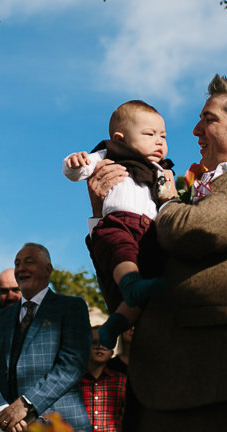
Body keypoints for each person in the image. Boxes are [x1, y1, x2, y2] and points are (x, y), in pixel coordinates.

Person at [88, 75, 227, 431]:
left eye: (208, 119)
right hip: (150, 387)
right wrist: (104, 212)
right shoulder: (177, 200)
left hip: (218, 382)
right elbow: (118, 295)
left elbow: (187, 230)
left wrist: (166, 198)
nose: (194, 130)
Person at [63, 100, 176, 350]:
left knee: (148, 276)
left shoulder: (163, 170)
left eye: (163, 136)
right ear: (120, 138)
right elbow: (78, 172)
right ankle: (128, 283)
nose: (159, 141)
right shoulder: (112, 153)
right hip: (120, 221)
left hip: (150, 230)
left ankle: (116, 323)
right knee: (119, 248)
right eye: (149, 134)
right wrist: (75, 162)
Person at [0, 243, 91, 432]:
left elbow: (72, 364)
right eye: (17, 263)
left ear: (48, 269)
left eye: (29, 262)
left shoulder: (72, 307)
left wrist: (26, 403)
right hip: (11, 426)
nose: (21, 268)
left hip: (61, 423)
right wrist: (1, 408)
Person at [79, 327, 127, 432]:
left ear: (112, 352)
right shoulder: (74, 381)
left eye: (106, 343)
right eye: (94, 343)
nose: (100, 347)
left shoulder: (121, 381)